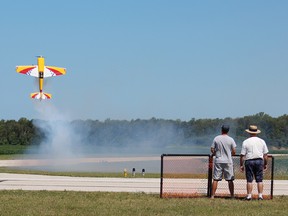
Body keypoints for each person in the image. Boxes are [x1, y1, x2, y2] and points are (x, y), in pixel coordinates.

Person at [240, 125, 269, 200]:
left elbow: (242, 155)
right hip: (259, 161)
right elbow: (265, 155)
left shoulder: (245, 142)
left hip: (249, 161)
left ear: (249, 132)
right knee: (260, 180)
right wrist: (265, 164)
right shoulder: (262, 141)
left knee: (249, 180)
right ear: (256, 132)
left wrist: (241, 165)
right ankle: (260, 196)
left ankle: (249, 196)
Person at [211, 124, 237, 199]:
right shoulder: (231, 139)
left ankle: (212, 195)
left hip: (218, 160)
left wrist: (215, 153)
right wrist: (230, 154)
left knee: (216, 179)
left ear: (221, 130)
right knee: (230, 180)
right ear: (228, 131)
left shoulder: (216, 138)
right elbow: (234, 151)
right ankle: (232, 196)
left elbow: (212, 149)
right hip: (228, 161)